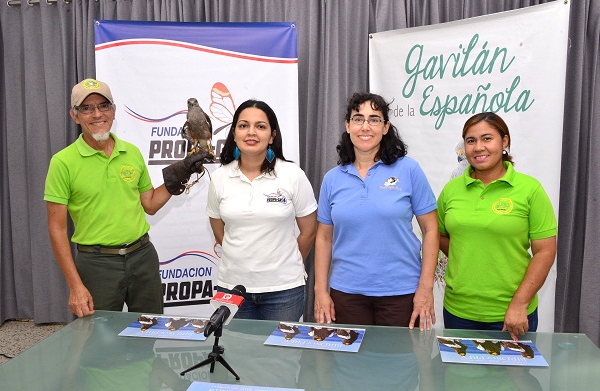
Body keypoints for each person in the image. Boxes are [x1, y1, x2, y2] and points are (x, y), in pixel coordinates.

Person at [44, 78, 206, 318]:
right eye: (86, 108)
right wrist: (75, 286)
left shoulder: (131, 152)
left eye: (103, 106)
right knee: (97, 341)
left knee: (150, 331)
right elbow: (57, 229)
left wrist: (180, 172)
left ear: (113, 111)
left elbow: (150, 204)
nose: (97, 114)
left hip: (143, 257)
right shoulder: (62, 162)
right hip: (96, 264)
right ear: (75, 116)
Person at [313, 92, 439, 330]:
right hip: (346, 292)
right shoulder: (332, 179)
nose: (365, 127)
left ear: (385, 127)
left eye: (374, 119)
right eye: (358, 119)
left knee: (398, 366)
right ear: (348, 126)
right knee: (349, 367)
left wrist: (426, 288)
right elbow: (323, 237)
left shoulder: (409, 170)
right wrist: (321, 290)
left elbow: (431, 230)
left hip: (401, 292)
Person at [437, 112, 557, 341]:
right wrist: (469, 258)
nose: (478, 147)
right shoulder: (451, 191)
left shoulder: (530, 189)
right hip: (458, 312)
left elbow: (545, 251)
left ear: (505, 142)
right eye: (471, 141)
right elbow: (440, 235)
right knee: (457, 376)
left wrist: (520, 303)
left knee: (511, 377)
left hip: (511, 314)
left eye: (487, 138)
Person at [206, 99, 317, 321]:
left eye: (261, 126)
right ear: (234, 134)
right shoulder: (219, 178)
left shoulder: (292, 175)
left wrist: (286, 264)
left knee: (280, 356)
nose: (251, 132)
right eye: (244, 125)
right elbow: (219, 230)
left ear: (272, 135)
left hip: (284, 290)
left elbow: (309, 231)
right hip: (232, 289)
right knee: (237, 354)